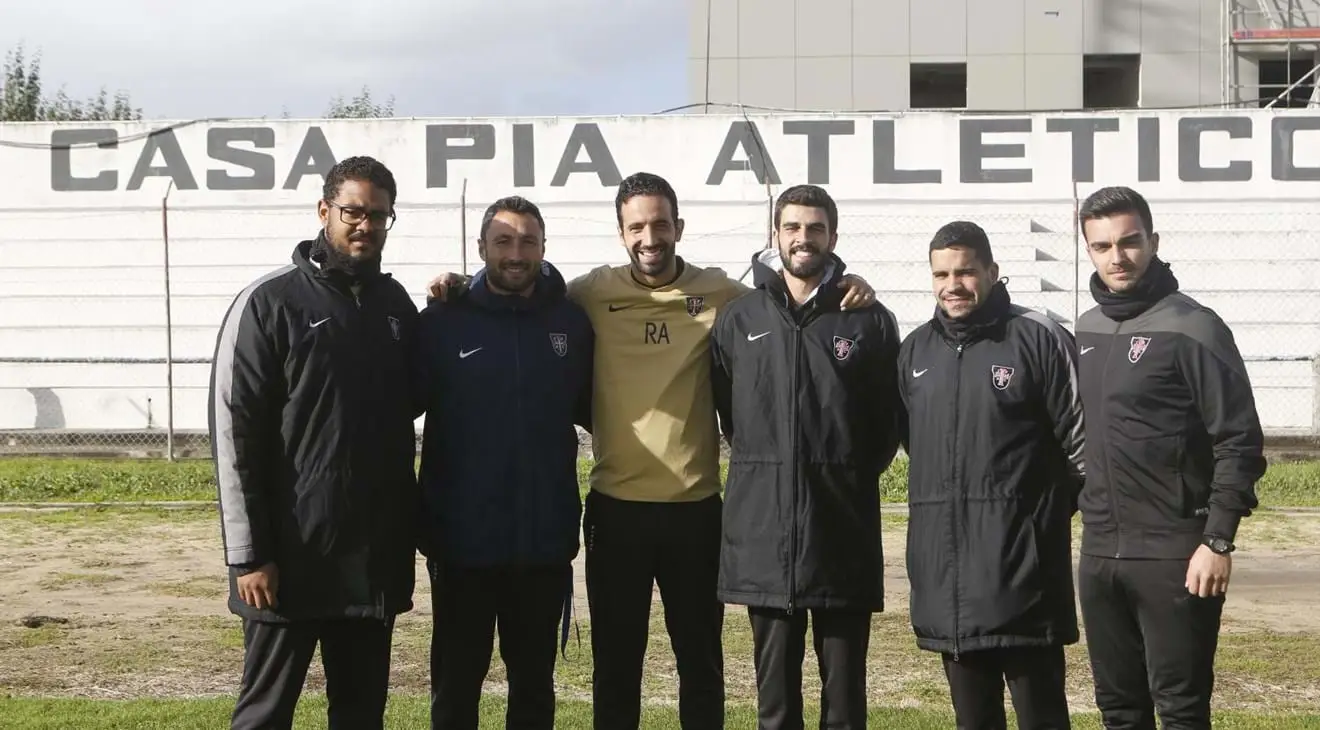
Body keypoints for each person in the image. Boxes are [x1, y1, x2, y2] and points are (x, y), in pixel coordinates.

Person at [426, 171, 877, 729]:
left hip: (696, 511)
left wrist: (844, 281)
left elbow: (789, 298)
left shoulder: (721, 295)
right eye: (636, 227)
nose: (649, 237)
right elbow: (526, 287)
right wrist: (461, 284)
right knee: (616, 669)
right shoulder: (590, 294)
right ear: (621, 233)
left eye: (660, 225)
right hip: (617, 512)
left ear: (678, 227)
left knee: (701, 666)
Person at [208, 156, 421, 730]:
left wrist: (457, 295)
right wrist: (249, 555)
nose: (365, 225)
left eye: (378, 215)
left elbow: (420, 396)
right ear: (325, 210)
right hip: (288, 562)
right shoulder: (269, 302)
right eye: (353, 212)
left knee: (360, 716)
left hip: (370, 563)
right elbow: (234, 434)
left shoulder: (395, 306)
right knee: (264, 715)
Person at [709, 184, 904, 729]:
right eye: (792, 227)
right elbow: (731, 416)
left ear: (832, 237)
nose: (803, 238)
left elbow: (884, 424)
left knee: (845, 704)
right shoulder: (739, 318)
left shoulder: (868, 318)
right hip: (765, 540)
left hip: (841, 534)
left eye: (815, 228)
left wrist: (839, 473)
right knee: (775, 707)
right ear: (775, 234)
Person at [1074, 186, 1266, 729]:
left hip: (1176, 554)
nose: (1117, 257)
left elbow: (1239, 440)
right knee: (1118, 708)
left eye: (1130, 242)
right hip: (1100, 553)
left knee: (1180, 709)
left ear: (1153, 241)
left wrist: (1217, 539)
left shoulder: (1194, 326)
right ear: (1088, 250)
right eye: (1102, 245)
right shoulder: (1086, 328)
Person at [412, 195, 594, 730]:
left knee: (534, 691)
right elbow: (395, 407)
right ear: (481, 248)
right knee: (455, 689)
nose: (516, 253)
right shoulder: (441, 321)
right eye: (503, 241)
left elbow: (596, 409)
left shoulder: (571, 324)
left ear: (544, 247)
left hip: (542, 546)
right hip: (460, 546)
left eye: (528, 241)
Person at [896, 220, 1086, 730]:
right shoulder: (915, 351)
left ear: (992, 271)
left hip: (1024, 581)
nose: (952, 285)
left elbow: (1083, 448)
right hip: (950, 589)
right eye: (941, 274)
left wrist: (1034, 520)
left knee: (1043, 720)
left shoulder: (1039, 337)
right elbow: (920, 447)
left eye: (965, 272)